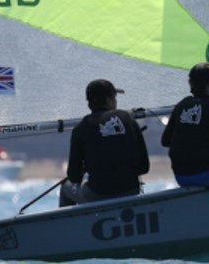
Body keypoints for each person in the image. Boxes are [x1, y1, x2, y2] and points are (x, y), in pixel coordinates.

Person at [59, 79, 149, 207]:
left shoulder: (80, 128)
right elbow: (144, 167)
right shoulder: (128, 119)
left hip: (97, 195)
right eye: (115, 98)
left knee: (65, 187)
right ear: (108, 100)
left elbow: (74, 176)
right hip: (131, 191)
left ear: (89, 103)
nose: (116, 102)